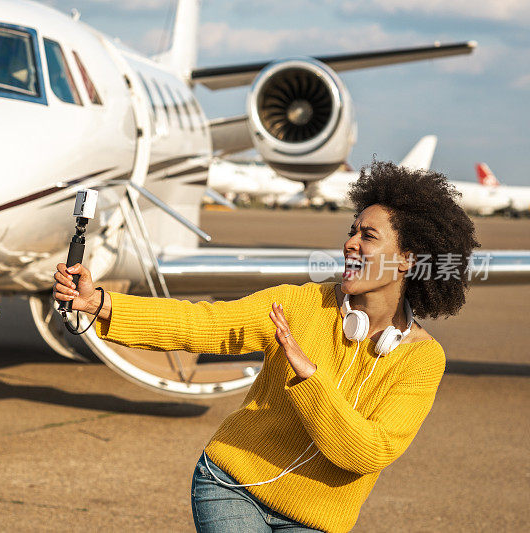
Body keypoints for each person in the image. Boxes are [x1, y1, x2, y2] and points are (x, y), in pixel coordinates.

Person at [53, 161, 479, 532]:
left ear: (407, 258)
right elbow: (203, 325)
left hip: (317, 518)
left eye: (368, 236)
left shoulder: (422, 358)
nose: (350, 242)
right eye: (351, 231)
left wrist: (310, 377)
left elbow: (369, 450)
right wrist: (102, 304)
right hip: (233, 484)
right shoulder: (298, 304)